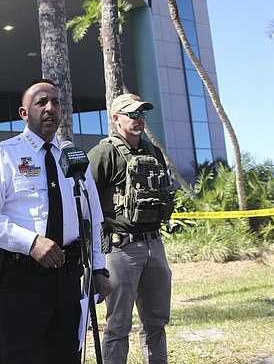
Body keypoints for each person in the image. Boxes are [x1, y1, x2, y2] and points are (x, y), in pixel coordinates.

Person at [0, 79, 113, 364]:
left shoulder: (73, 158)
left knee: (66, 356)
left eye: (56, 102)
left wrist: (99, 268)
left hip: (68, 279)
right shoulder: (2, 155)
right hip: (22, 279)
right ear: (24, 113)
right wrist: (31, 243)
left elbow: (92, 218)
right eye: (41, 102)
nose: (50, 108)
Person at [87, 93, 174, 364]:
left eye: (142, 113)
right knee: (118, 325)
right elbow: (84, 200)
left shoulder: (153, 151)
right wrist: (95, 252)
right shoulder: (104, 153)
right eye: (132, 114)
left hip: (154, 245)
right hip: (121, 249)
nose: (139, 119)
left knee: (156, 323)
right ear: (115, 119)